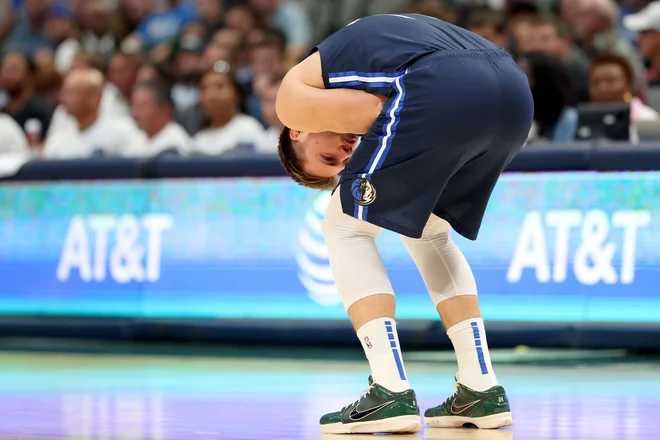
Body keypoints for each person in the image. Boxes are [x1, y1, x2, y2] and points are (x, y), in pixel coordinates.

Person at [275, 13, 533, 434]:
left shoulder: (291, 100)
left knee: (345, 226)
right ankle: (480, 386)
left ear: (299, 130)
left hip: (443, 85)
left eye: (329, 159)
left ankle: (389, 390)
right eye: (341, 163)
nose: (347, 155)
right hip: (513, 89)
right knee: (431, 231)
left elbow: (376, 110)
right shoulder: (362, 60)